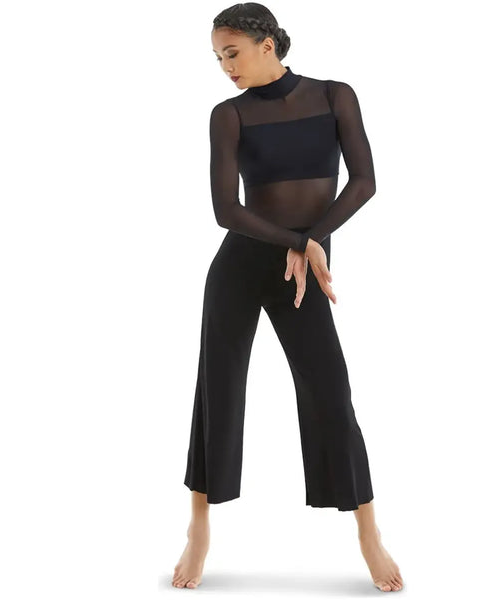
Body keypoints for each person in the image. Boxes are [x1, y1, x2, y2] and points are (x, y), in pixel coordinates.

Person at [173, 3, 404, 593]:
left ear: (268, 44)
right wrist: (301, 243)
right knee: (218, 390)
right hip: (241, 265)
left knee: (330, 389)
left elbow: (365, 182)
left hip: (304, 267)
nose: (226, 67)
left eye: (232, 53)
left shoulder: (333, 96)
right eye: (217, 58)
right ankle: (198, 527)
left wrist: (312, 242)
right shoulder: (229, 115)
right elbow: (226, 210)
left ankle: (369, 532)